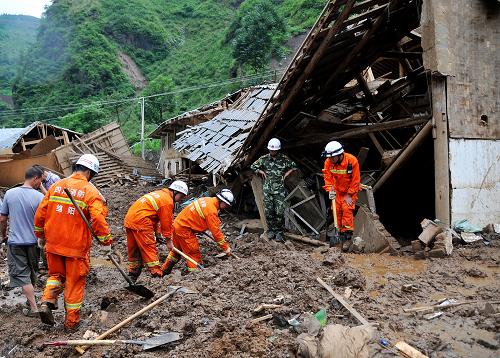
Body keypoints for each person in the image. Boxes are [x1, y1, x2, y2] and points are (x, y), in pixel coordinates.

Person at [34, 154, 112, 331]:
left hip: (53, 244)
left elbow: (40, 214)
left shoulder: (56, 186)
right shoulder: (91, 192)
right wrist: (106, 242)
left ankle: (47, 301)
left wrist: (40, 235)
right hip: (75, 248)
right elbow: (99, 220)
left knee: (56, 276)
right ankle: (71, 323)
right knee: (74, 283)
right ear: (91, 173)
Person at [0, 166, 44, 317]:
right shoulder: (39, 197)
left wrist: (3, 235)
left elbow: (3, 219)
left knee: (22, 274)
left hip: (16, 242)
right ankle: (30, 301)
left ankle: (34, 309)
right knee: (32, 270)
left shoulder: (10, 194)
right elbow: (45, 221)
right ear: (35, 178)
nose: (41, 184)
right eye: (41, 181)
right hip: (34, 242)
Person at [124, 180, 188, 281]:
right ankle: (156, 274)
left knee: (134, 249)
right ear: (175, 192)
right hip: (141, 222)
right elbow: (166, 223)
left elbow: (155, 216)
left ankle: (132, 275)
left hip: (130, 220)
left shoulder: (160, 194)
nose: (180, 200)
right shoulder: (167, 202)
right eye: (181, 196)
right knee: (149, 248)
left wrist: (158, 234)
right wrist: (169, 242)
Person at [161, 189, 234, 275]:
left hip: (177, 226)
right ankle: (194, 276)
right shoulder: (211, 211)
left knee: (176, 251)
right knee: (193, 254)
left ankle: (164, 270)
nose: (226, 207)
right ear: (223, 202)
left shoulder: (207, 200)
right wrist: (226, 248)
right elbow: (216, 233)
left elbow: (197, 216)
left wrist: (199, 227)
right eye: (226, 205)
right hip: (184, 230)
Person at [250, 138, 297, 242]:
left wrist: (286, 174)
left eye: (274, 150)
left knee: (279, 212)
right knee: (269, 212)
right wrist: (261, 172)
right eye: (271, 150)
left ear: (278, 150)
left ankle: (279, 232)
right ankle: (271, 230)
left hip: (279, 190)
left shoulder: (284, 159)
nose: (273, 152)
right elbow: (253, 166)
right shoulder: (264, 159)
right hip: (268, 189)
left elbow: (294, 166)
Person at [322, 141, 360, 244]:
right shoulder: (328, 162)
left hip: (349, 191)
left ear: (340, 155)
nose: (330, 160)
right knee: (336, 210)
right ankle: (338, 233)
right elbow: (327, 178)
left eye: (332, 157)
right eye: (329, 157)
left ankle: (347, 233)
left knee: (346, 208)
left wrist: (350, 194)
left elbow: (355, 180)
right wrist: (330, 190)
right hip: (337, 191)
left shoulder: (352, 161)